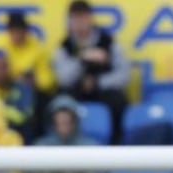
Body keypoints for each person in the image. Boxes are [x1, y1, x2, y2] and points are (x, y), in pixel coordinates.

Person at [54, 0, 130, 144]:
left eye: (82, 18)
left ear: (90, 18)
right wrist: (81, 59)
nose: (79, 23)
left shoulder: (108, 42)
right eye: (75, 19)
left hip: (103, 90)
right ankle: (63, 144)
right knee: (60, 102)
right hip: (76, 91)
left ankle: (116, 145)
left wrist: (98, 82)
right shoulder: (65, 46)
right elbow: (63, 78)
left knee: (118, 101)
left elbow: (123, 75)